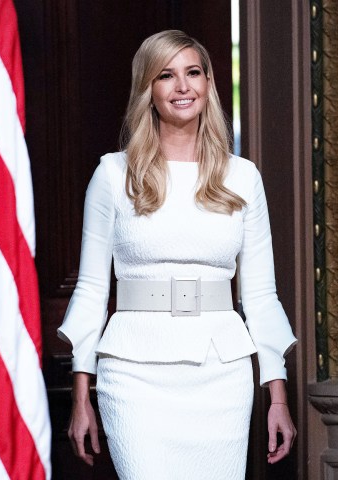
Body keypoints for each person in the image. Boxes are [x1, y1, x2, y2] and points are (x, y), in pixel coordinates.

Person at [57, 30, 297, 480]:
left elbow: (262, 296)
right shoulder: (113, 174)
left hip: (221, 377)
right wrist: (80, 396)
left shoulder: (242, 177)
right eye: (166, 75)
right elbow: (91, 290)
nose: (182, 86)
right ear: (148, 90)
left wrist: (277, 398)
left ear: (208, 83)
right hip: (133, 374)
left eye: (193, 73)